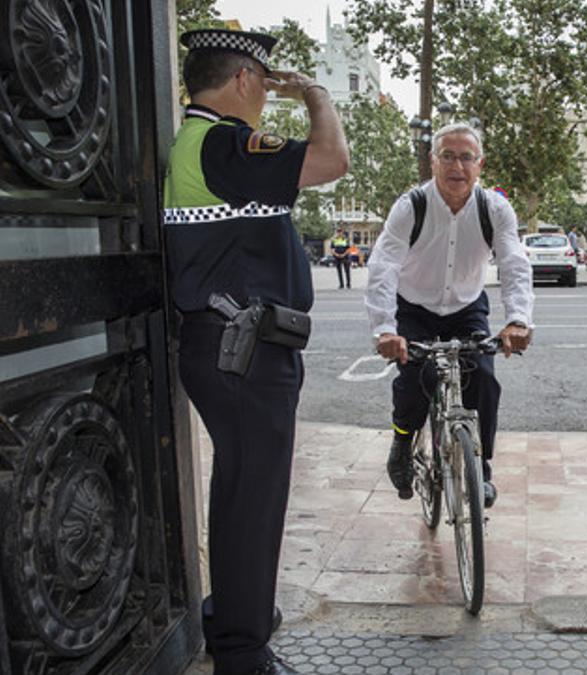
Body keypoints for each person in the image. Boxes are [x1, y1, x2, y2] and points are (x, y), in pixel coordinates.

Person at [163, 28, 349, 675]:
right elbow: (331, 161)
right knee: (254, 498)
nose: (268, 101)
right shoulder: (223, 142)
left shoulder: (196, 145)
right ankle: (242, 653)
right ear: (243, 80)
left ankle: (236, 614)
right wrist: (318, 96)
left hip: (227, 346)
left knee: (243, 490)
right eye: (265, 87)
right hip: (243, 350)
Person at [365, 122, 533, 508]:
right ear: (432, 161)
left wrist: (519, 319)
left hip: (466, 306)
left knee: (484, 380)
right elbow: (383, 267)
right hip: (414, 305)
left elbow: (514, 264)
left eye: (466, 157)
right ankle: (402, 441)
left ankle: (481, 468)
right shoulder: (411, 206)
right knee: (415, 379)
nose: (457, 165)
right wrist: (385, 330)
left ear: (480, 164)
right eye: (448, 156)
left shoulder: (494, 208)